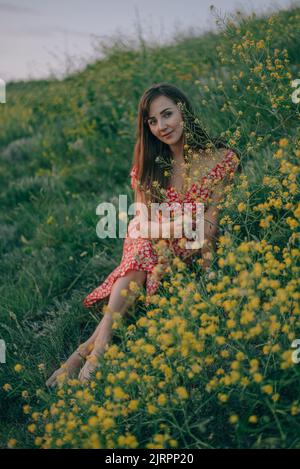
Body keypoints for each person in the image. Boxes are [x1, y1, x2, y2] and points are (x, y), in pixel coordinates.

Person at [46, 82, 241, 387]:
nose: (162, 126)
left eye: (167, 114)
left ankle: (84, 350)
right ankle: (99, 351)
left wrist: (193, 234)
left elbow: (211, 225)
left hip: (185, 251)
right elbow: (142, 225)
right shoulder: (149, 166)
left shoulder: (223, 159)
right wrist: (179, 226)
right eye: (152, 121)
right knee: (141, 246)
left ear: (184, 111)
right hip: (153, 243)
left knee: (142, 249)